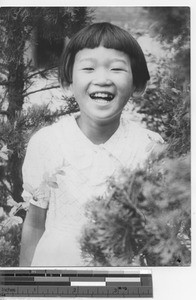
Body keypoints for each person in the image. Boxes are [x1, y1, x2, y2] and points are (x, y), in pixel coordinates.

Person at [19, 22, 164, 267]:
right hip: (56, 271)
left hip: (122, 275)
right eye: (88, 68)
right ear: (67, 83)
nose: (102, 79)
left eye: (117, 68)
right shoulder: (47, 143)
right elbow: (34, 223)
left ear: (138, 84)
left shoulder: (149, 147)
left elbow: (160, 230)